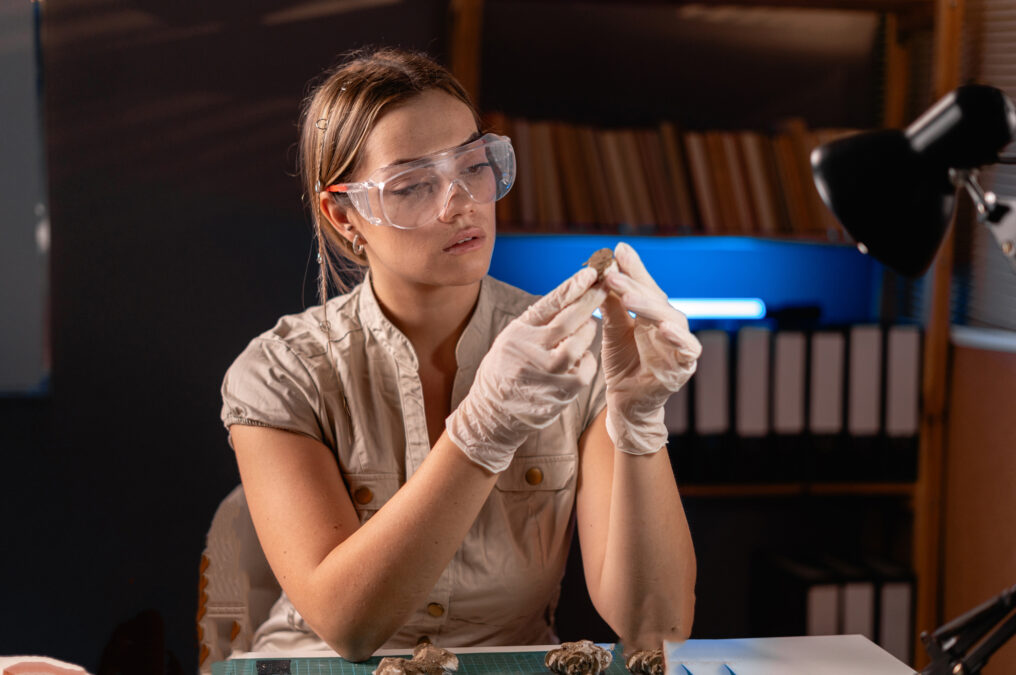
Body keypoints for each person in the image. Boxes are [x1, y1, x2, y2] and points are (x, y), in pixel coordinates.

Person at [220, 46, 700, 662]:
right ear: (343, 215)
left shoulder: (573, 355)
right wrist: (484, 430)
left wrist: (640, 428)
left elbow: (656, 625)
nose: (461, 203)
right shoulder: (279, 373)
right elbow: (349, 626)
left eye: (474, 165)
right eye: (414, 184)